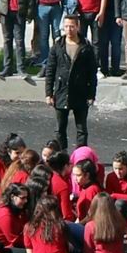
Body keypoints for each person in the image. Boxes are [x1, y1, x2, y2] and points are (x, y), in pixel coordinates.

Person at [45, 10, 101, 152]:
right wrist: (48, 93)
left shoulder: (86, 48)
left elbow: (92, 74)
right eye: (66, 26)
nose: (69, 30)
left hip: (80, 93)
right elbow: (50, 71)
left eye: (72, 26)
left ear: (78, 27)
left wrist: (91, 95)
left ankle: (81, 154)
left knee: (81, 128)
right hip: (61, 92)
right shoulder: (57, 47)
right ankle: (61, 154)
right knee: (60, 128)